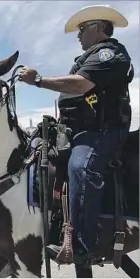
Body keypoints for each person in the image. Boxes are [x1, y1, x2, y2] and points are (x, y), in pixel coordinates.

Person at [18, 5, 133, 265]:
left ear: (98, 28)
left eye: (82, 30)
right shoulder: (87, 57)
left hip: (103, 130)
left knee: (81, 167)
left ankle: (83, 243)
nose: (78, 36)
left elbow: (81, 84)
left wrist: (39, 81)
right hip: (76, 129)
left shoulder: (109, 54)